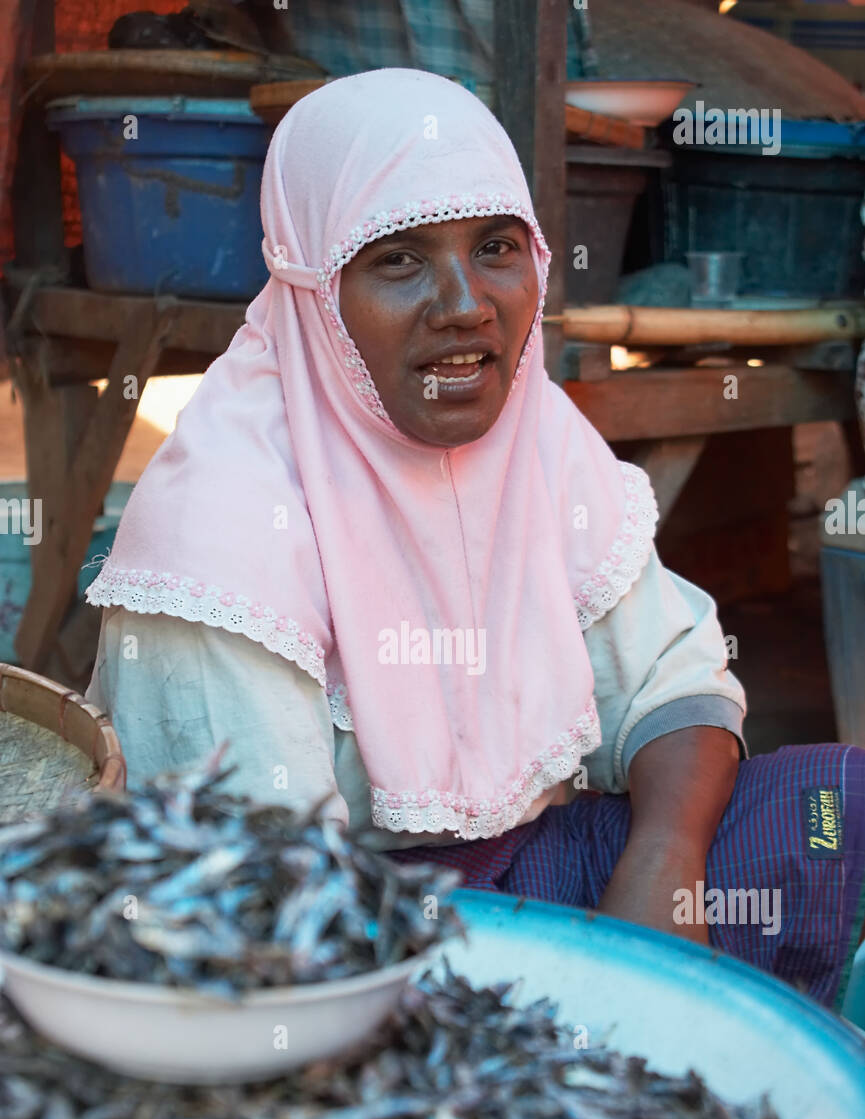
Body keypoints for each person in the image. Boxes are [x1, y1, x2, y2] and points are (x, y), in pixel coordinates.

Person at [86, 69, 865, 1012]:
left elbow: (672, 676)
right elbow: (268, 906)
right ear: (312, 291)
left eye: (495, 247)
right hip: (323, 951)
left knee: (834, 808)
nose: (464, 303)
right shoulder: (223, 533)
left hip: (531, 871)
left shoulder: (537, 436)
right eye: (398, 261)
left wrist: (663, 868)